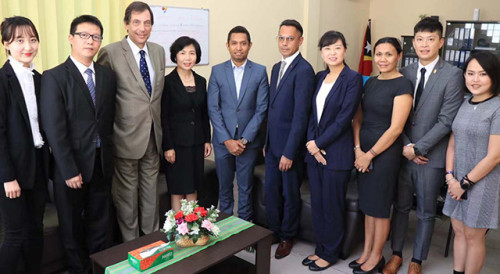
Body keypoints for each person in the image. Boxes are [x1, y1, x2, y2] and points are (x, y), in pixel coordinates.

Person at [384, 17, 464, 274]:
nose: (424, 44)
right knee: (401, 206)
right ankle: (396, 254)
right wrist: (407, 147)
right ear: (413, 42)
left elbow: (446, 120)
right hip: (403, 152)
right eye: (419, 39)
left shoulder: (453, 75)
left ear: (440, 42)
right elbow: (397, 117)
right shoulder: (404, 72)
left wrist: (418, 148)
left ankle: (417, 259)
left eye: (431, 39)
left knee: (427, 211)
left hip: (432, 157)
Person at [40, 15, 116, 273]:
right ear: (71, 38)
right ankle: (78, 270)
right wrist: (69, 169)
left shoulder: (106, 75)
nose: (90, 41)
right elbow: (54, 128)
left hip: (102, 161)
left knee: (100, 221)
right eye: (84, 35)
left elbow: (108, 120)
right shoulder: (54, 77)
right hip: (70, 166)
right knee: (71, 224)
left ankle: (98, 267)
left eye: (96, 37)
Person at [97, 1, 165, 241]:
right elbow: (102, 99)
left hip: (153, 137)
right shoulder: (111, 52)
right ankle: (132, 247)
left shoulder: (158, 51)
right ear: (126, 24)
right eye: (136, 22)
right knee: (127, 200)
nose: (142, 28)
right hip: (124, 137)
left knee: (150, 196)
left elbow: (155, 96)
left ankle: (152, 243)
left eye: (147, 23)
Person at [351, 37, 413, 274]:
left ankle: (377, 257)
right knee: (367, 207)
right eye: (378, 54)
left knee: (379, 207)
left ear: (398, 56)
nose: (382, 59)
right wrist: (358, 150)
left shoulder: (402, 84)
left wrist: (371, 154)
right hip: (362, 152)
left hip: (385, 155)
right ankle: (366, 252)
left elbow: (396, 129)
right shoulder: (370, 82)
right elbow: (358, 118)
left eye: (388, 54)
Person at [302, 31, 362, 271]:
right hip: (314, 152)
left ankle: (331, 252)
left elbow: (344, 117)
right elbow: (311, 116)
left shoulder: (353, 78)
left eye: (337, 48)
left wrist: (319, 144)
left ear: (344, 50)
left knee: (332, 204)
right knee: (317, 203)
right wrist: (311, 144)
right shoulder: (319, 77)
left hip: (336, 153)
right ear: (321, 52)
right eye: (327, 49)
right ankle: (320, 248)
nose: (332, 53)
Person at [442, 51, 500, 274]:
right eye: (470, 73)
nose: (475, 79)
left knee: (473, 236)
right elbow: (452, 144)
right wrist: (450, 177)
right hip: (455, 179)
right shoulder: (465, 103)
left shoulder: (497, 107)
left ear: (494, 76)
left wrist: (463, 183)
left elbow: (494, 156)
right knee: (459, 231)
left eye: (482, 74)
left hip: (482, 183)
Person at [0, 16, 49, 274]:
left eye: (32, 39)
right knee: (15, 234)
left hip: (37, 166)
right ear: (6, 44)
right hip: (12, 173)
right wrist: (8, 177)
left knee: (35, 231)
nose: (27, 46)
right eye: (19, 40)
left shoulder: (40, 79)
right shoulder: (2, 80)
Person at [207, 26, 269, 222]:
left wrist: (243, 140)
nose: (239, 47)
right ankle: (225, 228)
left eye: (243, 43)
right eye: (234, 43)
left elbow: (261, 109)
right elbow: (213, 109)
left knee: (245, 188)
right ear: (227, 45)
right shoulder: (217, 71)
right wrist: (227, 140)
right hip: (222, 142)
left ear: (250, 45)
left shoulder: (259, 71)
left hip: (248, 143)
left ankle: (244, 229)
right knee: (224, 188)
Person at [265, 19, 315, 259]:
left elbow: (300, 116)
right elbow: (272, 111)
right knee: (272, 191)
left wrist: (288, 152)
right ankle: (274, 230)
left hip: (289, 149)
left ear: (300, 41)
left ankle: (287, 235)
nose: (285, 43)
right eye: (281, 38)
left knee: (289, 194)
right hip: (272, 146)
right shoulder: (276, 67)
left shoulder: (304, 71)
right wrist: (266, 144)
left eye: (290, 38)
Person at [161, 36, 211, 212]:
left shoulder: (201, 81)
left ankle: (191, 229)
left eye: (192, 53)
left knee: (193, 186)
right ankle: (178, 231)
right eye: (183, 53)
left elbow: (204, 113)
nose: (187, 58)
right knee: (177, 189)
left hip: (196, 143)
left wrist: (207, 140)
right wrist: (168, 146)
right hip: (176, 146)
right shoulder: (167, 82)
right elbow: (164, 116)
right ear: (175, 56)